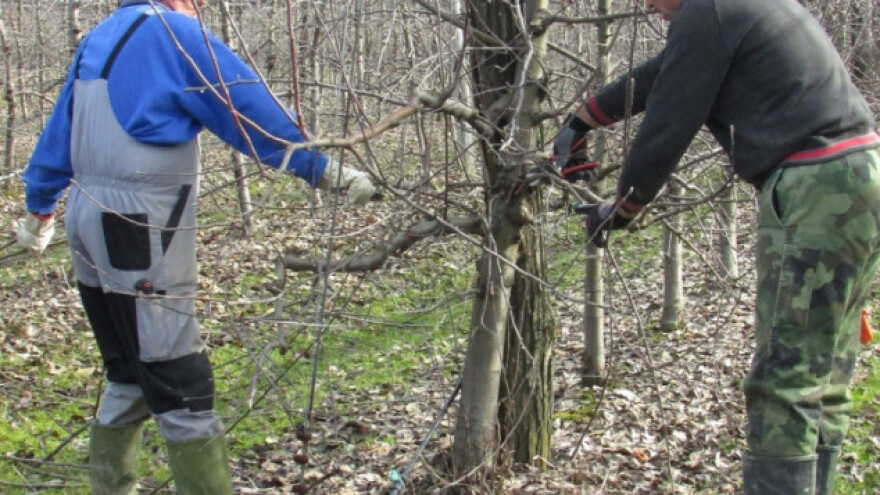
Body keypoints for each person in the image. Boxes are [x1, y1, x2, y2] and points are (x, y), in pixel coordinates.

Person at [14, 0, 378, 493]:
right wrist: (321, 167)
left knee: (127, 372)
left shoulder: (101, 36)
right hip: (137, 228)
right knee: (178, 379)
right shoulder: (174, 33)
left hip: (85, 218)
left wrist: (40, 208)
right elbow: (243, 105)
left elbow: (60, 129)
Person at [552, 0, 880, 493]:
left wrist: (622, 207)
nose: (646, 5)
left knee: (784, 383)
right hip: (861, 175)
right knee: (823, 373)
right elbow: (661, 75)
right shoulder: (735, 8)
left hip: (818, 192)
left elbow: (670, 118)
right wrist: (582, 120)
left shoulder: (708, 10)